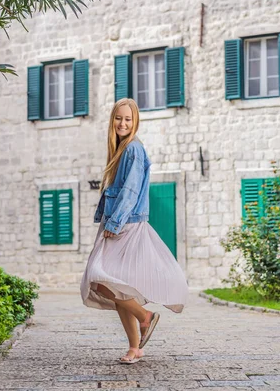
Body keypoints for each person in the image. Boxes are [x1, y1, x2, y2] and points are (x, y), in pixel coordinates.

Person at [80, 98, 189, 364]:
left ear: (135, 121)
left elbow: (129, 192)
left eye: (128, 119)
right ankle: (135, 347)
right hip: (117, 224)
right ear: (112, 120)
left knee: (101, 282)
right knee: (119, 289)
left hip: (124, 227)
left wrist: (114, 223)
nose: (123, 123)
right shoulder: (120, 150)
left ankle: (145, 317)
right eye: (119, 118)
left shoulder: (133, 150)